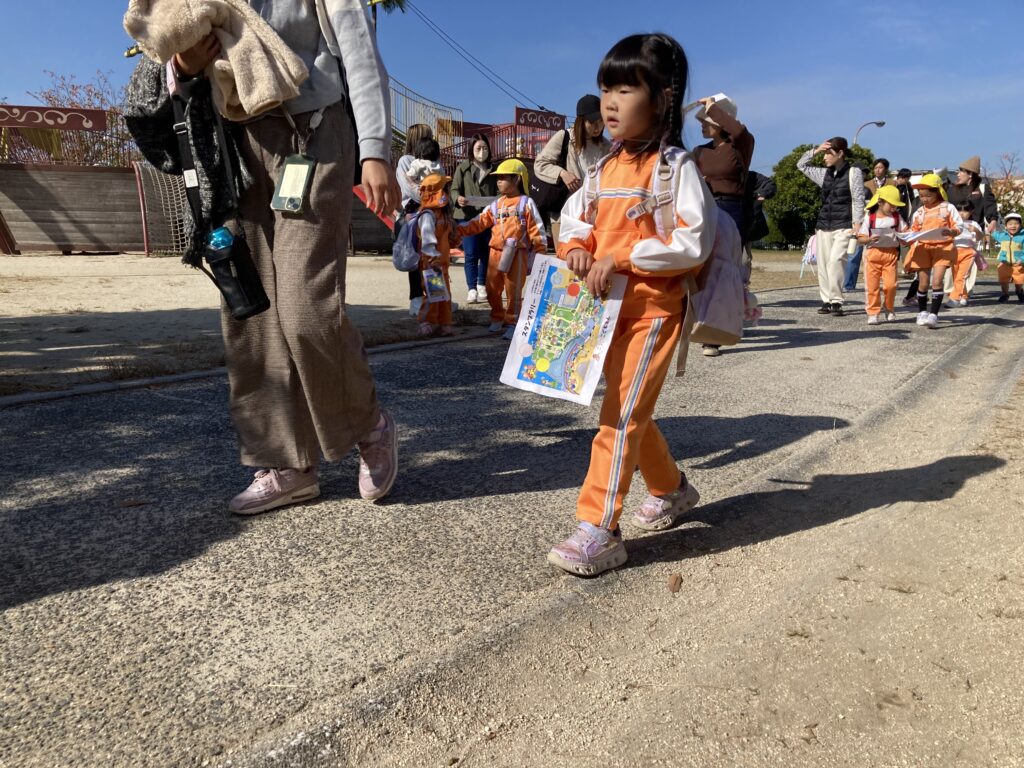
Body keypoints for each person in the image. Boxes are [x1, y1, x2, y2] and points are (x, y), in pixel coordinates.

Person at [170, 0, 402, 513]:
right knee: (250, 311)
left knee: (306, 308)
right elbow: (169, 52)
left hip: (312, 133)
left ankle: (369, 424)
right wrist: (183, 66)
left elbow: (361, 53)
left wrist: (374, 149)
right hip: (231, 146)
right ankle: (286, 463)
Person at [546, 33, 716, 577]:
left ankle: (600, 528)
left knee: (619, 414)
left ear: (662, 99)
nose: (610, 104)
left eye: (624, 90)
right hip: (604, 312)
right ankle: (672, 488)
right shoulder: (601, 169)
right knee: (628, 408)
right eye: (605, 90)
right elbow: (574, 219)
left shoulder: (675, 168)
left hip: (654, 310)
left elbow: (694, 241)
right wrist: (575, 247)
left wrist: (620, 257)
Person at [457, 159, 546, 340]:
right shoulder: (496, 204)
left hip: (517, 255)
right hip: (495, 253)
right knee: (491, 288)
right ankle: (497, 316)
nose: (498, 181)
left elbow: (537, 230)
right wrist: (458, 229)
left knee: (513, 291)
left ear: (517, 179)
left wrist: (540, 253)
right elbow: (479, 222)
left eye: (503, 177)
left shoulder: (526, 203)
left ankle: (513, 323)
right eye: (497, 178)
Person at [693, 94, 753, 356]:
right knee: (703, 266)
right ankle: (704, 321)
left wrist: (712, 107)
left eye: (707, 121)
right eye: (701, 122)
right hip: (705, 209)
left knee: (725, 268)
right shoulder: (699, 152)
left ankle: (714, 334)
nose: (703, 125)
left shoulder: (740, 145)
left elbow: (737, 130)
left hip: (732, 209)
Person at [797, 137, 865, 317]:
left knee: (836, 261)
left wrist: (857, 222)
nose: (825, 157)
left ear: (840, 153)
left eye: (829, 153)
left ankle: (836, 300)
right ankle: (826, 300)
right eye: (825, 153)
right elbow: (801, 165)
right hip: (824, 225)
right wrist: (816, 150)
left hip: (844, 225)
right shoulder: (824, 174)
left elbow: (858, 198)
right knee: (824, 264)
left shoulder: (853, 172)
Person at [534, 95, 611, 244]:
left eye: (601, 121)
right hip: (564, 214)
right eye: (592, 122)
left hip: (595, 216)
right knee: (565, 258)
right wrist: (562, 173)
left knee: (591, 258)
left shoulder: (607, 147)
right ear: (581, 121)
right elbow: (540, 163)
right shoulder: (565, 137)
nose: (598, 127)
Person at [905, 173, 962, 328]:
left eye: (928, 196)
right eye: (921, 196)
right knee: (923, 283)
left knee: (937, 280)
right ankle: (922, 312)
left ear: (938, 192)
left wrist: (952, 231)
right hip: (922, 248)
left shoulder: (948, 208)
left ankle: (934, 314)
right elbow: (913, 230)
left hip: (943, 248)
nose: (924, 199)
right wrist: (906, 236)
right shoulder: (919, 212)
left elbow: (959, 226)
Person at [451, 133, 497, 305]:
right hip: (467, 216)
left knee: (486, 253)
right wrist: (458, 199)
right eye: (478, 148)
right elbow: (454, 189)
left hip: (487, 217)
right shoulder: (462, 168)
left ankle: (481, 284)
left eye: (485, 148)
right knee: (470, 253)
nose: (482, 151)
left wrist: (498, 200)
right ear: (471, 149)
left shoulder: (494, 169)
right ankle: (471, 288)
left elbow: (499, 190)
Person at [414, 171, 459, 336]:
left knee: (444, 295)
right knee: (433, 295)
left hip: (443, 263)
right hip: (432, 263)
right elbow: (427, 240)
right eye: (445, 189)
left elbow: (448, 237)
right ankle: (426, 322)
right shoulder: (427, 215)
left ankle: (444, 323)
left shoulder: (443, 215)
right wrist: (433, 260)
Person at [397, 123, 434, 316]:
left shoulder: (433, 161)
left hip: (433, 212)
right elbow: (409, 188)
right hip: (414, 212)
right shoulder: (406, 161)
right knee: (415, 257)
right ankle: (416, 298)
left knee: (434, 256)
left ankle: (437, 296)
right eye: (427, 137)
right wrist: (432, 196)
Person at [855, 185, 907, 324]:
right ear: (880, 202)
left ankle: (889, 308)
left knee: (891, 286)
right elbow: (860, 239)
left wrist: (904, 238)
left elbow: (905, 232)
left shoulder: (897, 217)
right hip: (872, 254)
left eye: (896, 205)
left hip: (891, 255)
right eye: (891, 205)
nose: (894, 208)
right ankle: (873, 312)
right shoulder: (870, 217)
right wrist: (869, 239)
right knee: (872, 287)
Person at [845, 158, 892, 292]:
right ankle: (847, 284)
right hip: (850, 223)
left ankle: (859, 284)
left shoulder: (869, 189)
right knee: (851, 254)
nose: (861, 176)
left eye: (863, 173)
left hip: (867, 223)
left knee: (863, 255)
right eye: (860, 173)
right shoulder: (850, 187)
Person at [945, 201, 984, 307]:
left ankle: (955, 298)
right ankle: (964, 296)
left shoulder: (973, 224)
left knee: (962, 276)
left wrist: (975, 230)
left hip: (968, 252)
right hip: (954, 252)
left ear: (971, 212)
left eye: (965, 211)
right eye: (959, 210)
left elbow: (980, 237)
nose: (962, 213)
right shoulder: (953, 223)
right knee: (956, 276)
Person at [946, 155, 999, 232]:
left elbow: (990, 207)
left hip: (977, 232)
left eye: (961, 171)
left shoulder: (982, 188)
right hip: (956, 232)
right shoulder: (952, 190)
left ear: (970, 174)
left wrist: (993, 221)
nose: (958, 174)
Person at [992, 212, 1024, 303]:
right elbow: (993, 232)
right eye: (1010, 224)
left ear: (1020, 225)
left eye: (1016, 224)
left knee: (1019, 280)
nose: (1013, 226)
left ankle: (1019, 291)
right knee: (1003, 280)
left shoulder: (1022, 237)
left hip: (1018, 263)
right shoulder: (1002, 236)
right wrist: (991, 223)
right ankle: (1005, 294)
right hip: (1004, 262)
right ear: (1006, 226)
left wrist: (1022, 259)